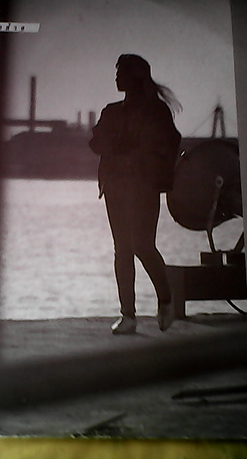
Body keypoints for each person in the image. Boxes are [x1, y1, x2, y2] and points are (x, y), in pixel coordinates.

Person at [89, 54, 182, 334]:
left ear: (136, 77)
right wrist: (115, 143)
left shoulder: (156, 111)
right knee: (122, 249)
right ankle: (128, 316)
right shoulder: (111, 111)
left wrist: (146, 155)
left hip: (144, 187)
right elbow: (95, 143)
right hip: (114, 186)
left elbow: (172, 143)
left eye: (122, 72)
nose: (117, 77)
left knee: (142, 245)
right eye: (117, 72)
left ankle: (165, 299)